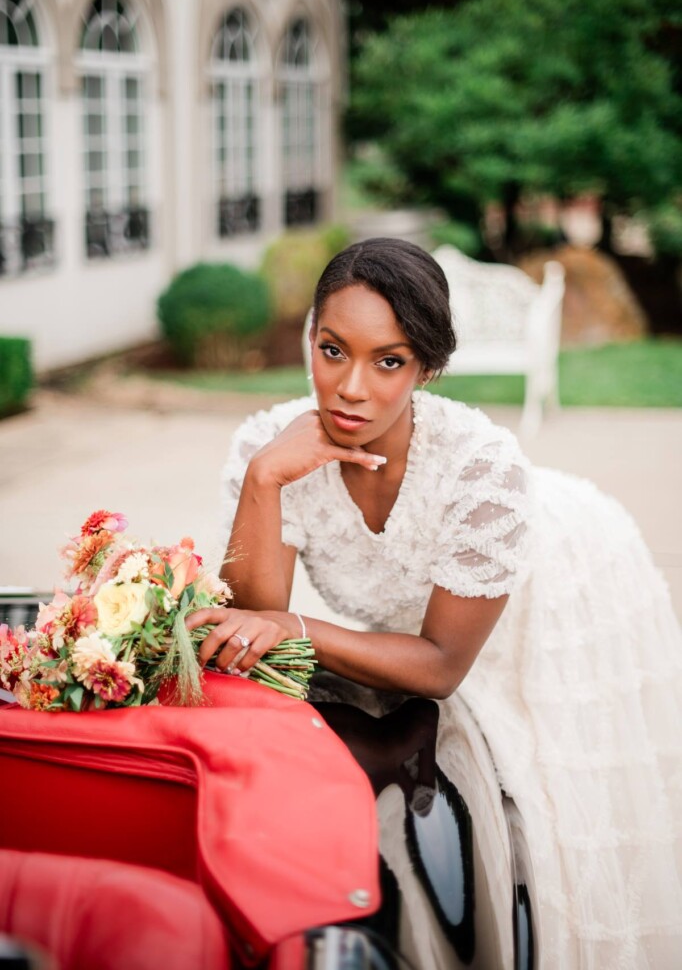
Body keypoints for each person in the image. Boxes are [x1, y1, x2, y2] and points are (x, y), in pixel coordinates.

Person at [188, 237, 682, 969]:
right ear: (310, 339)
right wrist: (266, 479)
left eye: (388, 361)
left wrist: (293, 626)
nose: (350, 387)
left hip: (552, 586)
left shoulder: (482, 471)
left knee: (548, 799)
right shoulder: (270, 443)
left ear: (427, 368)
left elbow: (441, 663)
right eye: (332, 350)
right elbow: (258, 622)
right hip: (408, 624)